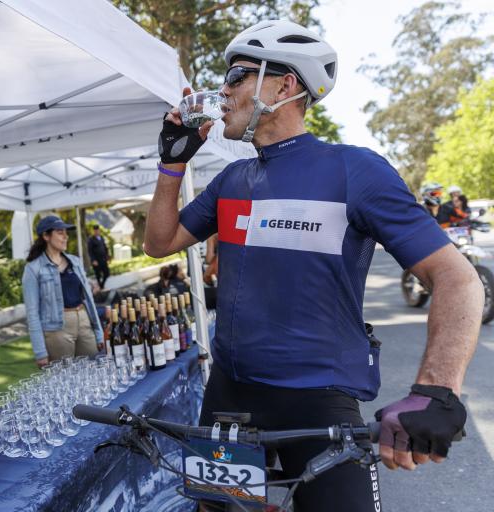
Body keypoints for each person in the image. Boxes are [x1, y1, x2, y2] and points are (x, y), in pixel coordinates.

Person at [145, 20, 482, 512]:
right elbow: (160, 242)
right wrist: (171, 165)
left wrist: (438, 389)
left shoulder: (354, 169)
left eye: (238, 75)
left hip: (319, 400)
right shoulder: (232, 178)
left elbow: (457, 278)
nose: (224, 90)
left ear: (287, 86)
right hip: (229, 396)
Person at [23, 215, 104, 367]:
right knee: (64, 378)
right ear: (46, 236)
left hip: (84, 321)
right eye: (60, 232)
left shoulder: (75, 261)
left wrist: (99, 334)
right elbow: (32, 312)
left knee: (93, 372)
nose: (66, 236)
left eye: (66, 232)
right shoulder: (33, 269)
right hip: (57, 331)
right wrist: (40, 352)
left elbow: (89, 300)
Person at [87, 224, 111, 289]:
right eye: (95, 231)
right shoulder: (91, 239)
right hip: (96, 260)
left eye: (97, 230)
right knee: (98, 275)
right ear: (93, 231)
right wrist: (93, 260)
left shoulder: (102, 238)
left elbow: (105, 248)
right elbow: (90, 251)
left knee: (107, 273)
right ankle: (100, 287)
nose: (96, 232)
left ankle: (101, 285)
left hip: (103, 259)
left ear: (99, 230)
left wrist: (108, 257)